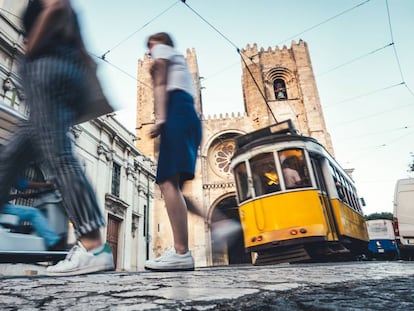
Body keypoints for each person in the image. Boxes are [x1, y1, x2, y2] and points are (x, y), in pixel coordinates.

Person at [0, 0, 113, 276]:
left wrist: (30, 49)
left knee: (59, 157)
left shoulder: (48, 18)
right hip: (59, 70)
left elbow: (57, 5)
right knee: (12, 156)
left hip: (46, 67)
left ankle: (94, 246)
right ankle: (93, 246)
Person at [144, 32, 204, 271]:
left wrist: (160, 119)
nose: (149, 52)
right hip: (190, 117)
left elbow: (159, 79)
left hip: (176, 113)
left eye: (149, 46)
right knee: (177, 188)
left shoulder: (162, 51)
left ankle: (181, 252)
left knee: (167, 182)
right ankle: (219, 224)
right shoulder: (180, 61)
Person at [2, 176, 64, 250]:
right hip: (2, 208)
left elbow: (3, 197)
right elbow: (23, 184)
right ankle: (53, 242)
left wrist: (19, 195)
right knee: (33, 213)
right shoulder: (6, 170)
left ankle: (23, 231)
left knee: (23, 219)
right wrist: (48, 185)